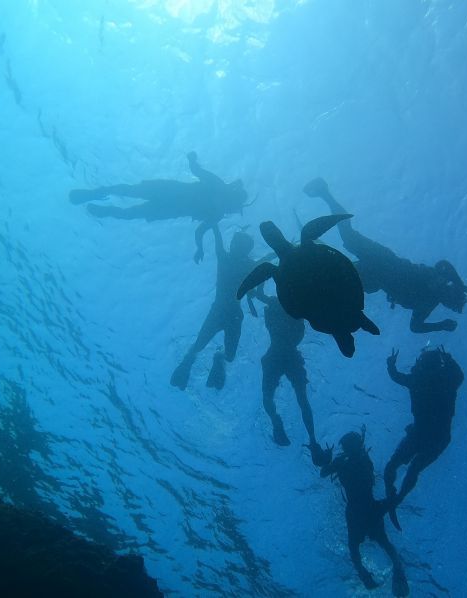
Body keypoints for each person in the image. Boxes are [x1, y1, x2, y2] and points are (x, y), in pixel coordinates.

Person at [304, 178, 467, 333]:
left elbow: (415, 327)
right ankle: (324, 192)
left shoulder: (428, 305)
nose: (448, 299)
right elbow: (444, 264)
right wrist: (460, 283)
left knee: (338, 279)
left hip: (375, 277)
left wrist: (441, 325)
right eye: (453, 297)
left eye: (451, 304)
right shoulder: (438, 278)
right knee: (348, 236)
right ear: (453, 289)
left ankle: (308, 268)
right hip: (383, 259)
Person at [70, 152, 248, 262]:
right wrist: (192, 160)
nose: (231, 210)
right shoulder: (217, 196)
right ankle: (97, 199)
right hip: (168, 201)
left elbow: (199, 231)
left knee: (129, 196)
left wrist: (200, 248)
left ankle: (102, 206)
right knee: (130, 200)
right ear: (234, 199)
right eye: (235, 206)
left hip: (168, 196)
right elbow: (197, 171)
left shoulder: (217, 209)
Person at [320, 429, 409, 595]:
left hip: (361, 508)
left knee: (360, 544)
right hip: (368, 506)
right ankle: (384, 569)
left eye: (349, 446)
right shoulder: (355, 459)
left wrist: (328, 461)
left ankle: (376, 570)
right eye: (348, 446)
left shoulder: (351, 460)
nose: (349, 449)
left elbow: (324, 473)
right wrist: (328, 461)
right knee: (379, 542)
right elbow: (324, 472)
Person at [383, 347, 463, 531]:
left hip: (422, 434)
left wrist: (391, 365)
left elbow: (396, 376)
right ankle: (396, 498)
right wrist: (449, 359)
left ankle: (394, 497)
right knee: (413, 468)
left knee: (399, 465)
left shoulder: (418, 379)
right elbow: (459, 376)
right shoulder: (447, 379)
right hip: (436, 436)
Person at [170, 225, 257, 391]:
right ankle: (190, 361)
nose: (236, 246)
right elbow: (217, 234)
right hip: (222, 312)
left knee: (229, 356)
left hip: (228, 314)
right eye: (236, 243)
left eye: (239, 244)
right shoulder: (229, 258)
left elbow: (253, 290)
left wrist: (214, 219)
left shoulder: (241, 263)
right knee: (199, 345)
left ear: (245, 249)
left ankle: (217, 357)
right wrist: (214, 221)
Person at [253, 287, 332, 467]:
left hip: (276, 354)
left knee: (269, 396)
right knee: (301, 399)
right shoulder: (299, 305)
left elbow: (259, 295)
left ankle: (276, 421)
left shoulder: (283, 302)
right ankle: (310, 438)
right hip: (290, 356)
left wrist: (260, 279)